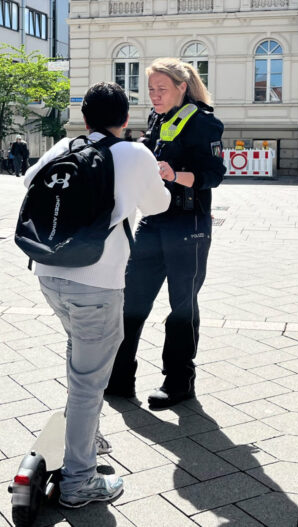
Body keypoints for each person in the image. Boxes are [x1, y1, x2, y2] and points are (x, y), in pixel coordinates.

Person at [25, 81, 170, 509]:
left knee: (82, 360)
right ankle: (79, 480)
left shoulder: (62, 148)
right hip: (97, 282)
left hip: (49, 273)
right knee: (90, 382)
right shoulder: (135, 152)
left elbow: (30, 183)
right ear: (126, 119)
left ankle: (83, 439)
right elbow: (158, 205)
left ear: (84, 118)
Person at [105, 57, 226, 409]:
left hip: (188, 225)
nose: (154, 95)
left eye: (162, 89)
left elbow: (214, 176)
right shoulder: (157, 118)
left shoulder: (205, 123)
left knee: (182, 306)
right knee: (131, 299)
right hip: (154, 220)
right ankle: (120, 376)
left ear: (182, 87)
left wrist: (175, 175)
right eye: (151, 89)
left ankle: (179, 382)